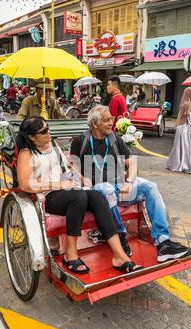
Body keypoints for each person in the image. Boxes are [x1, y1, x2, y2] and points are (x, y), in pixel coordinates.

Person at [16, 116, 142, 275]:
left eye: (48, 128)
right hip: (49, 196)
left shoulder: (52, 145)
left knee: (97, 196)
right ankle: (70, 254)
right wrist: (59, 185)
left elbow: (67, 165)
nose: (49, 133)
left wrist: (81, 177)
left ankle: (119, 256)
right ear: (31, 137)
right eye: (44, 131)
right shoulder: (26, 153)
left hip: (69, 189)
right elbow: (25, 184)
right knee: (78, 197)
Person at [70, 105, 191, 263]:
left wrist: (129, 182)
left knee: (150, 187)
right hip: (97, 193)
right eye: (107, 120)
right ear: (95, 124)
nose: (111, 122)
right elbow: (72, 164)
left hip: (120, 188)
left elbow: (132, 163)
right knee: (105, 188)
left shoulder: (115, 139)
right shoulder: (80, 141)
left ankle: (163, 243)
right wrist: (82, 177)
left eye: (112, 119)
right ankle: (120, 234)